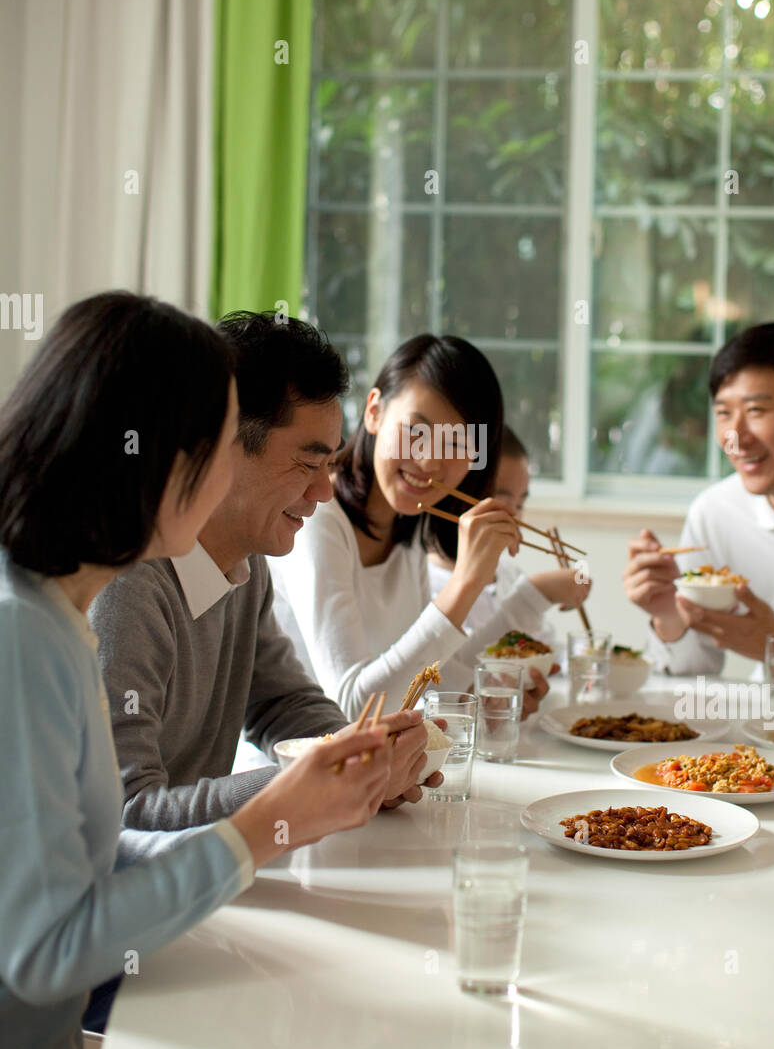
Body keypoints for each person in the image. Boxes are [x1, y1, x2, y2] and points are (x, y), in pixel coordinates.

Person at [0, 293, 394, 1049]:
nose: (324, 492)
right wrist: (267, 821)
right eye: (218, 443)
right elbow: (41, 952)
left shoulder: (57, 613)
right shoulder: (27, 636)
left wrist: (318, 785)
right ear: (154, 458)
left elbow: (97, 856)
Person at [90, 312, 432, 833]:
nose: (324, 492)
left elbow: (281, 703)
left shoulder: (245, 562)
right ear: (219, 447)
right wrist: (312, 784)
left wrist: (363, 758)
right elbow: (126, 814)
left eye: (330, 465)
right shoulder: (128, 583)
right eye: (306, 464)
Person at [269, 334, 588, 716]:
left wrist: (529, 600)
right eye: (417, 432)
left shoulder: (410, 523)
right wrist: (466, 583)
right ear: (374, 412)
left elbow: (428, 681)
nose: (430, 462)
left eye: (456, 444)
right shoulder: (319, 516)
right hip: (289, 767)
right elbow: (354, 708)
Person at [623, 322, 774, 707]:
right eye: (723, 413)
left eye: (756, 410)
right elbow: (691, 679)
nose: (734, 436)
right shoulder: (716, 514)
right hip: (766, 749)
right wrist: (670, 614)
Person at [427, 424, 590, 636]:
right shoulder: (425, 586)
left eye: (520, 505)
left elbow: (547, 652)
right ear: (456, 495)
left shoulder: (510, 577)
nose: (514, 518)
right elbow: (461, 665)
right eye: (501, 502)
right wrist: (535, 594)